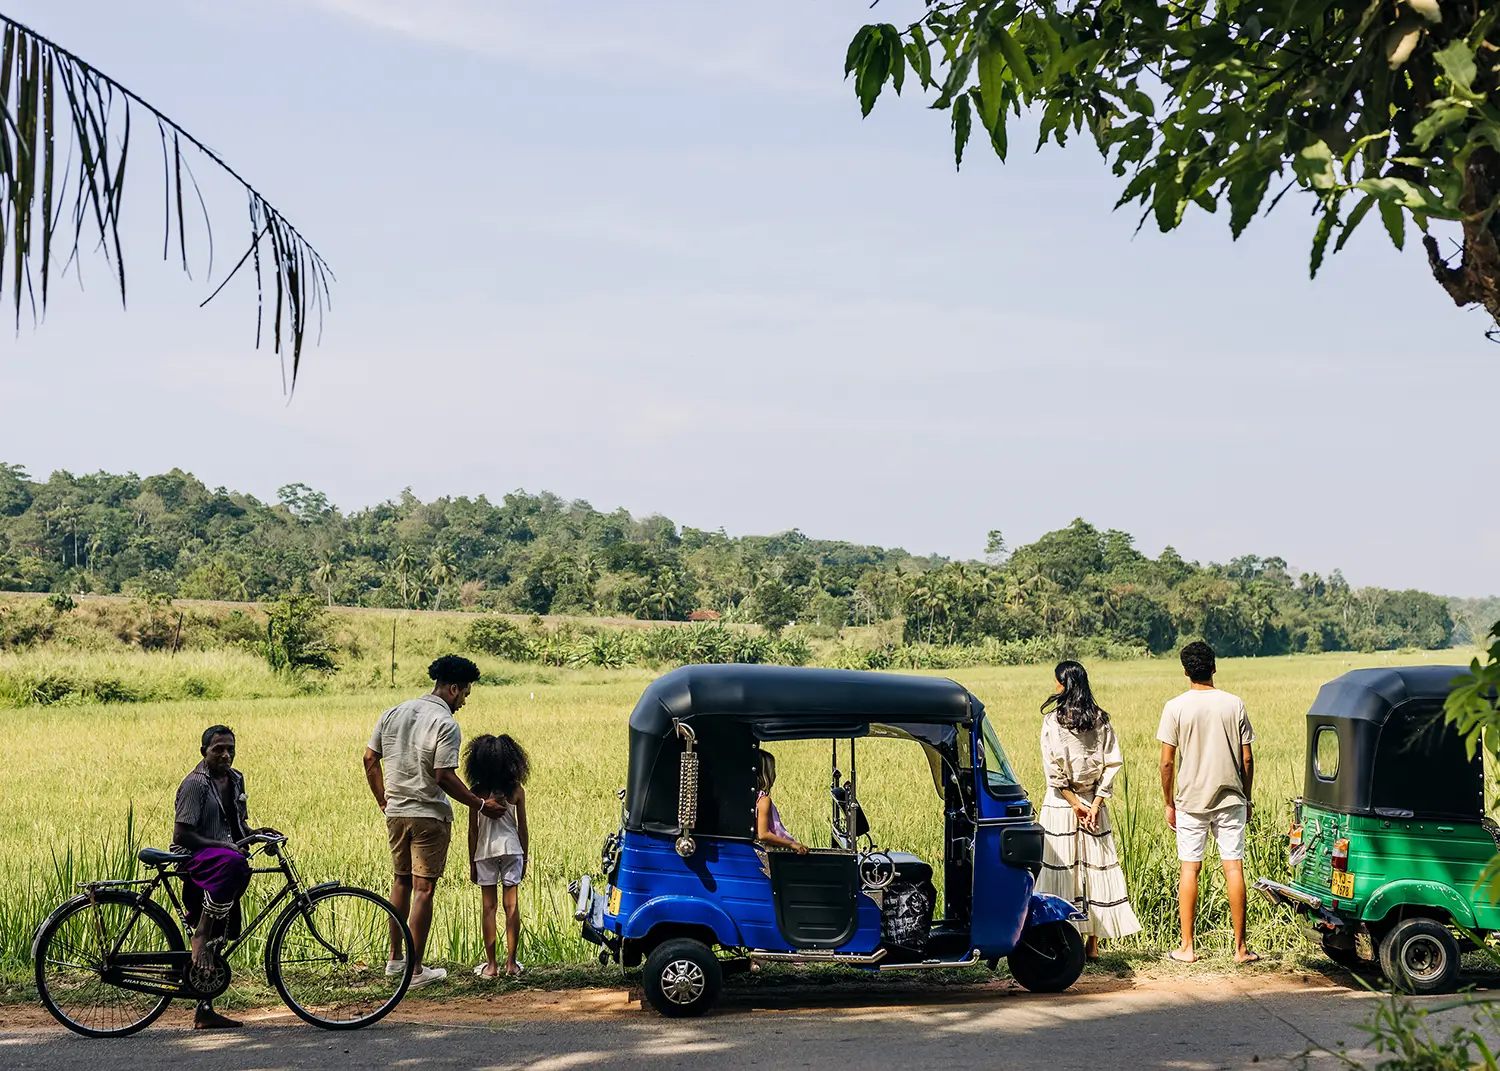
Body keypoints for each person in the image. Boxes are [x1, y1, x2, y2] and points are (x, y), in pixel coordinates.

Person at [363, 654, 503, 990]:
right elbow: (443, 777)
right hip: (428, 815)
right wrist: (480, 804)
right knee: (424, 889)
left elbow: (370, 759)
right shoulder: (446, 724)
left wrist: (384, 799)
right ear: (453, 689)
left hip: (396, 813)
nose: (464, 702)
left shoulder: (393, 712)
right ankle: (414, 971)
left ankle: (395, 960)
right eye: (466, 694)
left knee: (401, 882)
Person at [172, 725, 279, 1030]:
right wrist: (223, 846)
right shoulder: (195, 784)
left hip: (224, 859)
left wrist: (257, 835)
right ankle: (199, 935)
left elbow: (236, 825)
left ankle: (204, 1009)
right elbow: (182, 834)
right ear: (203, 751)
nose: (225, 754)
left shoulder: (235, 779)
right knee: (234, 866)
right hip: (195, 858)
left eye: (230, 748)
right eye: (218, 748)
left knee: (224, 923)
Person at [1158, 640, 1258, 964]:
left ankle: (1187, 948)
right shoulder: (1234, 704)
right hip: (1231, 798)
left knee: (1190, 868)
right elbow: (1247, 759)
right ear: (1214, 667)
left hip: (1189, 799)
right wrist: (1248, 796)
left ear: (1185, 671)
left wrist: (1168, 802)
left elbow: (1167, 763)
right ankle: (1240, 949)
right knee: (1233, 867)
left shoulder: (1175, 707)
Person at [1036, 661, 1142, 959]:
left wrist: (1074, 803)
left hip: (1061, 806)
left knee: (1062, 871)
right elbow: (1112, 764)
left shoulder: (1053, 722)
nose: (1054, 686)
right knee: (1093, 871)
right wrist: (1094, 804)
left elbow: (1053, 769)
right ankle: (1092, 945)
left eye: (1057, 681)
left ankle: (1062, 940)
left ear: (1064, 685)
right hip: (1094, 805)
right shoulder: (1100, 720)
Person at [464, 733, 531, 979]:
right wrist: (525, 856)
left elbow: (473, 830)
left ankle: (491, 966)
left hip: (485, 851)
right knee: (511, 906)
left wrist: (471, 860)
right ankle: (511, 964)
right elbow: (522, 828)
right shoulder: (516, 791)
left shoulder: (475, 793)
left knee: (488, 908)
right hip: (512, 849)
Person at [754, 752, 808, 853]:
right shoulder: (764, 800)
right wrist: (792, 844)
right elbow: (763, 834)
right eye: (773, 769)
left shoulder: (752, 797)